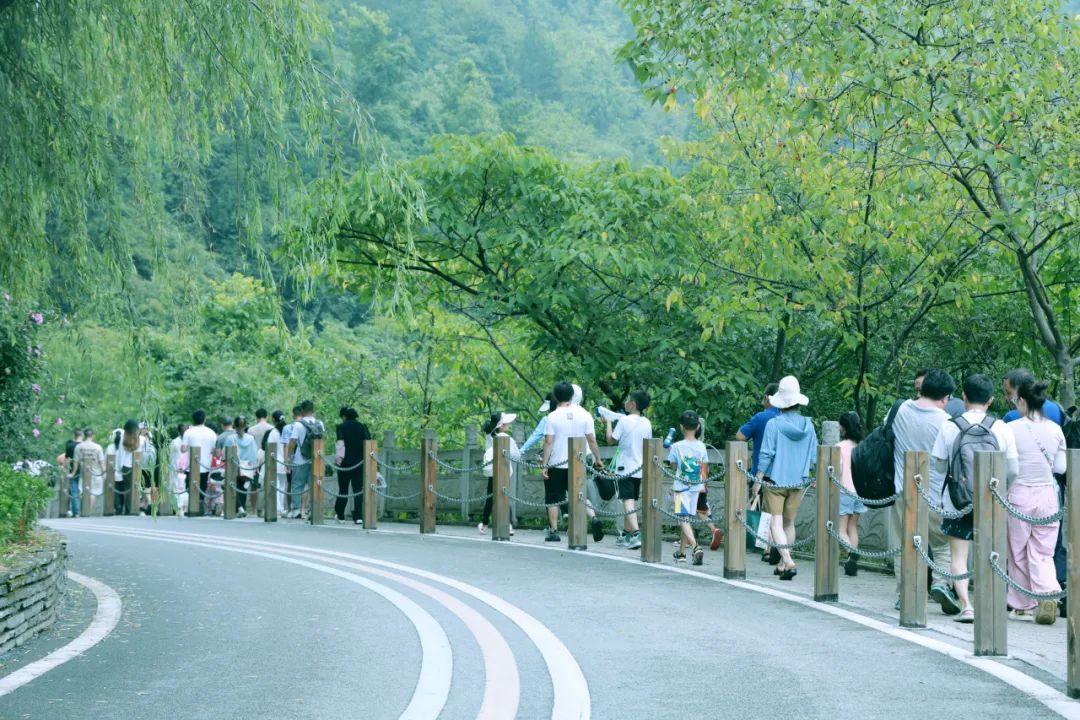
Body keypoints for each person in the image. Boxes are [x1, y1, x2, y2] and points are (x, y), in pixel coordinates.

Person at [931, 373, 1018, 623]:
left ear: (964, 396)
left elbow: (938, 467)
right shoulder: (1001, 428)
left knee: (958, 555)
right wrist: (1001, 487)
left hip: (957, 501)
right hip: (991, 500)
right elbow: (1013, 469)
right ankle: (989, 605)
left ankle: (967, 606)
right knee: (990, 553)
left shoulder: (950, 425)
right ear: (991, 400)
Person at [891, 368, 960, 614]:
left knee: (904, 543)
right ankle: (941, 584)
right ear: (945, 397)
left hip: (902, 490)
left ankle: (905, 593)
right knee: (943, 544)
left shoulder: (899, 409)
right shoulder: (945, 423)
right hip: (934, 496)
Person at [1005, 376, 1065, 625]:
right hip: (1048, 496)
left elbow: (1009, 468)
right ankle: (1048, 593)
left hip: (1020, 494)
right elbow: (1060, 468)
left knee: (1018, 552)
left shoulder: (1012, 428)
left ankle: (1024, 605)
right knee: (1043, 551)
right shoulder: (1056, 429)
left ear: (1022, 400)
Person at [753, 376, 817, 581]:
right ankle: (783, 563)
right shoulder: (809, 427)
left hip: (775, 481)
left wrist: (757, 480)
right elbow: (815, 456)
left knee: (775, 523)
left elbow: (766, 455)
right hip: (798, 482)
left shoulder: (774, 424)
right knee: (789, 523)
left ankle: (787, 560)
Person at [541, 382, 604, 542]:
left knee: (553, 497)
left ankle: (554, 531)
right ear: (571, 395)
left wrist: (545, 464)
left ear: (555, 396)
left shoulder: (552, 416)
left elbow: (548, 441)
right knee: (579, 494)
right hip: (578, 463)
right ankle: (593, 517)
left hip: (556, 463)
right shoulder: (585, 415)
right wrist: (598, 459)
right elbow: (591, 440)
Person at [737, 382, 780, 563]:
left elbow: (740, 436)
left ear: (768, 398)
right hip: (783, 474)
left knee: (765, 511)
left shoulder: (761, 418)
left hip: (761, 472)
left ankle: (767, 547)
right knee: (779, 514)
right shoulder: (787, 418)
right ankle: (778, 545)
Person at [605, 389, 652, 550]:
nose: (625, 402)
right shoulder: (647, 423)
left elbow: (611, 440)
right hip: (639, 467)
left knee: (627, 501)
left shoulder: (624, 421)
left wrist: (608, 422)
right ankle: (625, 534)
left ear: (633, 404)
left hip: (625, 467)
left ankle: (636, 534)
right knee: (630, 500)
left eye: (628, 400)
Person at [668, 411, 708, 565]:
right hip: (696, 488)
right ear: (698, 426)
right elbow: (704, 467)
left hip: (680, 487)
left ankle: (695, 547)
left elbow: (672, 465)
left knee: (682, 518)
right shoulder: (701, 446)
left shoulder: (676, 446)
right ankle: (681, 553)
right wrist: (703, 485)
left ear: (681, 427)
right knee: (686, 519)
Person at [479, 411, 522, 534]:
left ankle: (485, 524)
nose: (508, 425)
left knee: (490, 497)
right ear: (501, 425)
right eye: (506, 423)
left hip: (492, 470)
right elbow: (516, 456)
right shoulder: (506, 438)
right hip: (503, 470)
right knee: (504, 495)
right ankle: (507, 524)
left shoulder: (489, 436)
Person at [837, 411, 866, 576]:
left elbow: (838, 470)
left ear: (843, 427)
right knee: (853, 527)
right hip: (859, 492)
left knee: (841, 529)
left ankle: (851, 552)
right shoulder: (861, 446)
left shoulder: (840, 447)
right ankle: (852, 559)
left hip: (844, 490)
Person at [285, 400, 324, 520]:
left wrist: (288, 457)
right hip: (316, 460)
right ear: (313, 410)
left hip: (300, 459)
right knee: (314, 485)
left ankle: (296, 510)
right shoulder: (320, 424)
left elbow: (292, 441)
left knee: (297, 485)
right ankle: (314, 510)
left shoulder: (298, 425)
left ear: (302, 411)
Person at [335, 407, 371, 524]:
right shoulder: (362, 427)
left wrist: (338, 461)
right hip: (359, 463)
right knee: (358, 490)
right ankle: (358, 516)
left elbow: (340, 445)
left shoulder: (341, 427)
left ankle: (340, 515)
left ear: (344, 416)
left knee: (343, 490)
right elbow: (368, 443)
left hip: (345, 464)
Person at [181, 409, 218, 516]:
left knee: (190, 486)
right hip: (205, 465)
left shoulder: (188, 432)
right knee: (202, 487)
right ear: (205, 419)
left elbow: (183, 449)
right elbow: (215, 451)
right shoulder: (211, 433)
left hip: (191, 465)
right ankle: (199, 507)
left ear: (193, 419)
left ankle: (193, 508)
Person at [230, 416, 258, 518]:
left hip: (234, 466)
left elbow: (225, 454)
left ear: (234, 426)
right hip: (247, 467)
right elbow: (254, 454)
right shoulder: (250, 439)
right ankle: (243, 508)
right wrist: (253, 466)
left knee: (234, 486)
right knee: (243, 487)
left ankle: (239, 507)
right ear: (245, 426)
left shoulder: (231, 438)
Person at [263, 410, 289, 517]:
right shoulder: (287, 430)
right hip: (285, 462)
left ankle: (278, 508)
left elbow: (269, 448)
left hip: (275, 462)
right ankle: (282, 507)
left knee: (276, 485)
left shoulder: (273, 433)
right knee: (283, 486)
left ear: (274, 420)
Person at [74, 428, 106, 516]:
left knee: (82, 492)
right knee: (93, 493)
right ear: (93, 436)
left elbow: (76, 462)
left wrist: (73, 473)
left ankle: (83, 510)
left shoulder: (78, 447)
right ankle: (88, 511)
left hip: (83, 474)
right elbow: (102, 463)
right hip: (96, 474)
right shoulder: (98, 447)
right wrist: (104, 474)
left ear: (84, 435)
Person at [113, 420, 141, 515]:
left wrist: (118, 467)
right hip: (137, 466)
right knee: (136, 487)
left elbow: (121, 454)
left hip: (126, 466)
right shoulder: (140, 438)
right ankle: (135, 507)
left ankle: (129, 509)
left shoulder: (123, 438)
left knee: (127, 489)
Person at [169, 424, 190, 516]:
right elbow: (170, 456)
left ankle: (185, 507)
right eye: (183, 431)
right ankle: (177, 507)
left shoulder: (190, 441)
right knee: (177, 487)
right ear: (179, 432)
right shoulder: (174, 442)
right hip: (176, 469)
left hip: (187, 469)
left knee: (184, 488)